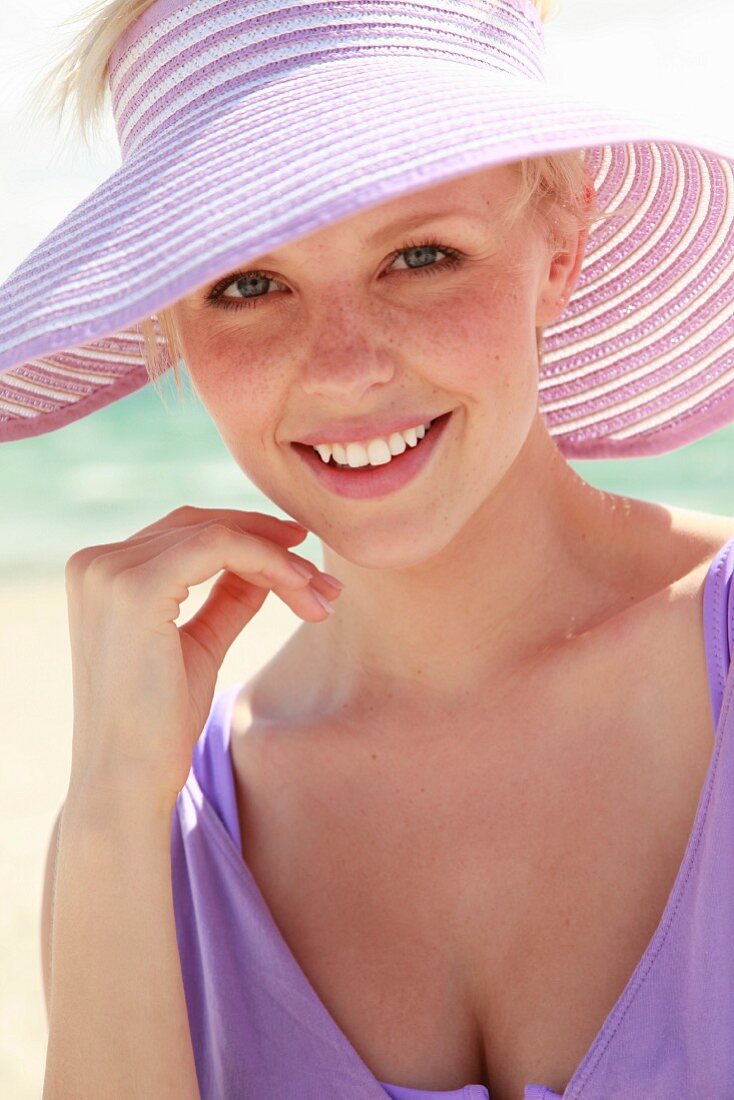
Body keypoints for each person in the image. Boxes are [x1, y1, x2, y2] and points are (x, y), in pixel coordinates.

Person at [3, 0, 734, 1097]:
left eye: (420, 254)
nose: (342, 366)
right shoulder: (165, 827)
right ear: (174, 326)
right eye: (246, 284)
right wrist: (107, 802)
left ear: (559, 250)